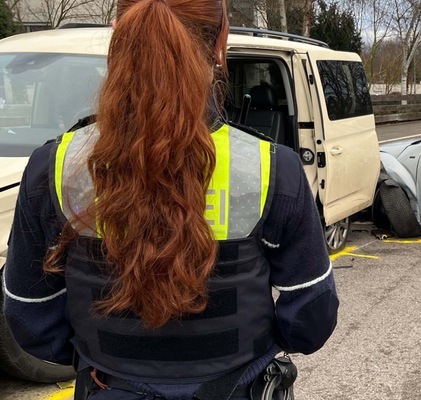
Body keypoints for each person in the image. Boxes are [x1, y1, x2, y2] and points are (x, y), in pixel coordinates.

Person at [1, 0, 338, 399]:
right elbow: (311, 316)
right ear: (221, 42)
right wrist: (251, 354)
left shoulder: (54, 167)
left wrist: (101, 359)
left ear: (119, 35)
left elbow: (29, 315)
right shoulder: (271, 169)